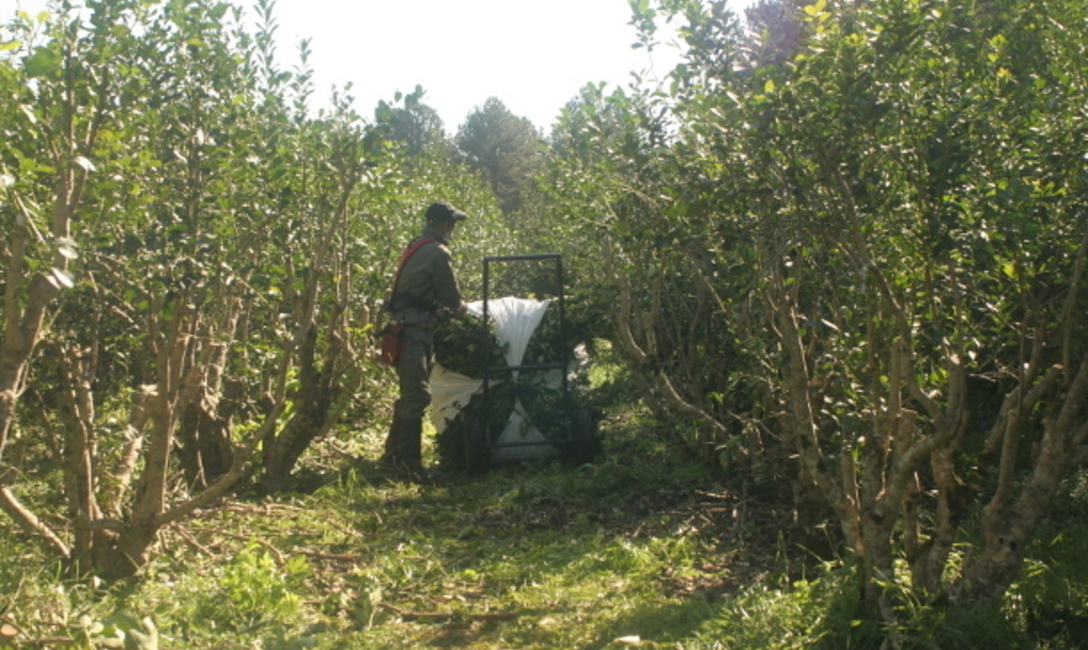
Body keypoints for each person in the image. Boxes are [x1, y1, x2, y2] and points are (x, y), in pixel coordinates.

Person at [381, 201, 468, 482]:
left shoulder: (417, 244)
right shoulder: (437, 252)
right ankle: (410, 467)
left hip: (407, 327)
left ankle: (391, 458)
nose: (453, 229)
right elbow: (451, 299)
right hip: (412, 330)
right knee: (416, 397)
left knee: (410, 396)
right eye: (452, 224)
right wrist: (467, 312)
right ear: (442, 225)